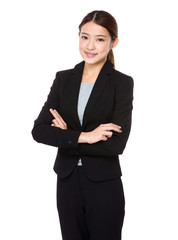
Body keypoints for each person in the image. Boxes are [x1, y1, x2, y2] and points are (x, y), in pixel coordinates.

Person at [31, 10, 134, 240]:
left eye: (100, 39)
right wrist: (84, 136)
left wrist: (67, 136)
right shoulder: (63, 79)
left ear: (113, 43)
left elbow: (116, 144)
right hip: (67, 183)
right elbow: (39, 130)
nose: (90, 45)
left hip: (104, 185)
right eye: (84, 36)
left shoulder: (121, 83)